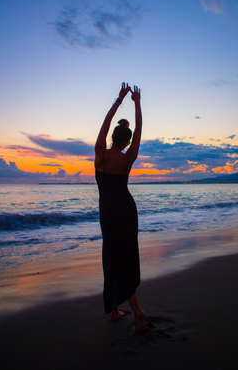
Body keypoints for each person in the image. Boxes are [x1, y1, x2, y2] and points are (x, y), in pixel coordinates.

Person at [94, 82, 145, 333]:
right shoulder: (127, 158)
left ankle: (126, 310)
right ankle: (123, 310)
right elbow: (139, 131)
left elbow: (105, 122)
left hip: (109, 213)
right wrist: (137, 104)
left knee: (111, 258)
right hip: (126, 210)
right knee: (126, 257)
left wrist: (119, 99)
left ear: (113, 136)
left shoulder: (100, 155)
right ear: (127, 140)